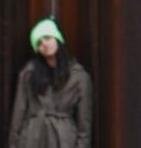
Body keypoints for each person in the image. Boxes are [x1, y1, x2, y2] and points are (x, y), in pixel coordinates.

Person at [8, 17, 92, 148]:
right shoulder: (28, 74)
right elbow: (18, 114)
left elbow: (84, 124)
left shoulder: (79, 76)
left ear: (57, 38)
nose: (44, 45)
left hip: (63, 139)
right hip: (32, 138)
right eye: (39, 43)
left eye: (47, 38)